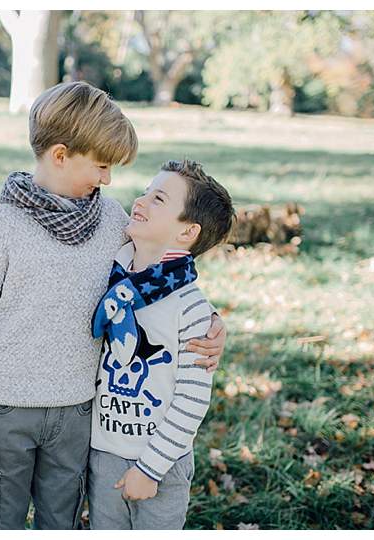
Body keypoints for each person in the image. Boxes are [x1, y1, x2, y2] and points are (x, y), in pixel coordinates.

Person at [0, 81, 227, 530]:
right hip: (4, 413)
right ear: (60, 155)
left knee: (63, 520)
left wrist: (210, 324)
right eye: (100, 166)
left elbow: (161, 272)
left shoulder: (113, 220)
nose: (108, 179)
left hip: (79, 414)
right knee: (1, 519)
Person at [88, 159, 234, 529]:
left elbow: (192, 399)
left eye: (159, 199)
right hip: (103, 451)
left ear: (187, 232)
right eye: (146, 191)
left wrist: (151, 468)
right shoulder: (112, 274)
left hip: (161, 462)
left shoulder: (192, 310)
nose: (140, 200)